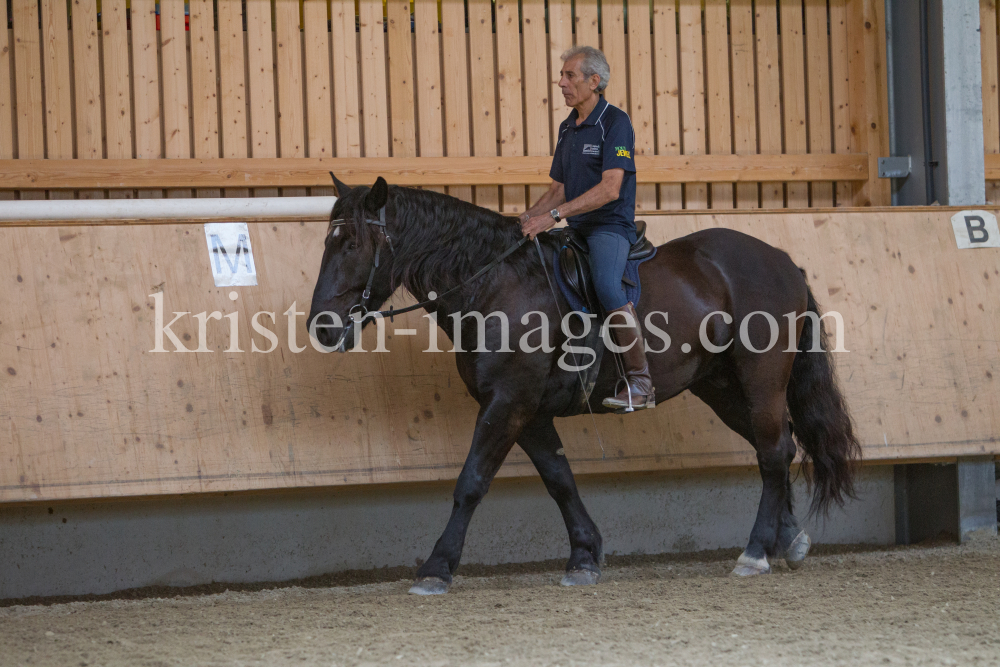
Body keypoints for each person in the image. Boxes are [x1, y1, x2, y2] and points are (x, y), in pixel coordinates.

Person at [520, 46, 654, 411]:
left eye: (569, 76)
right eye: (561, 76)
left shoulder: (615, 122)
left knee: (608, 285)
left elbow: (611, 188)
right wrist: (526, 220)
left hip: (608, 227)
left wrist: (556, 216)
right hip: (574, 226)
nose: (561, 83)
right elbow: (558, 190)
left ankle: (641, 383)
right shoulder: (568, 127)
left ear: (594, 81)